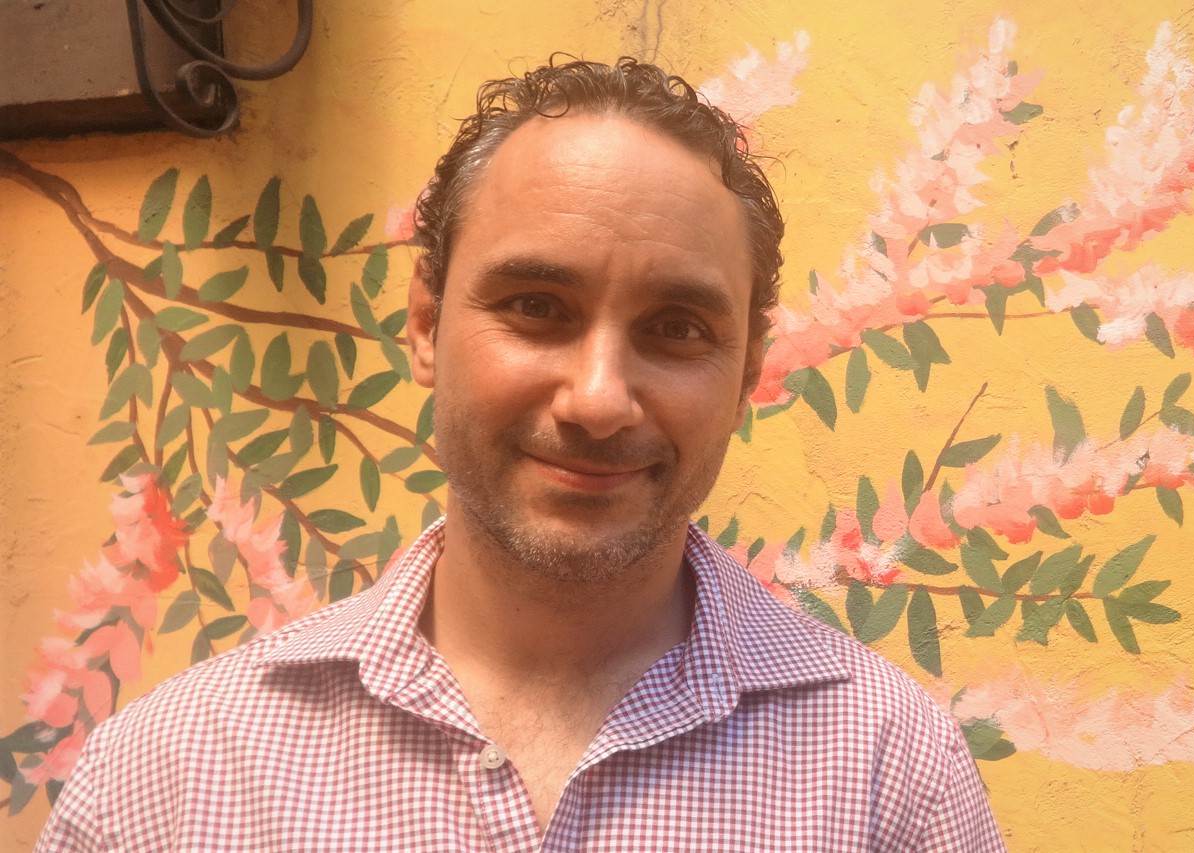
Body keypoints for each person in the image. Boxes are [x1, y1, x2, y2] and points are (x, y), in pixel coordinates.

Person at [37, 57, 1005, 851]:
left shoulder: (888, 775)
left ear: (747, 366)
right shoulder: (166, 781)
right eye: (536, 307)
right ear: (425, 325)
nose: (598, 400)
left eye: (675, 327)